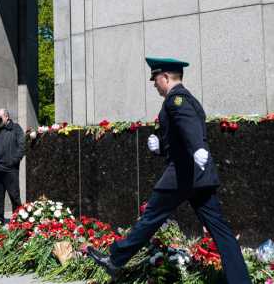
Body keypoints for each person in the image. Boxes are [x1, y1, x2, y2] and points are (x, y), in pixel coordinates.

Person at [87, 57, 251, 283]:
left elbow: (188, 126)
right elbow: (180, 137)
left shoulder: (177, 100)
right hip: (199, 177)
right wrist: (161, 147)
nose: (154, 84)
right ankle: (241, 281)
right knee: (221, 231)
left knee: (150, 218)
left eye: (156, 79)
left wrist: (197, 148)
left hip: (181, 177)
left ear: (165, 78)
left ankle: (115, 260)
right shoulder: (188, 99)